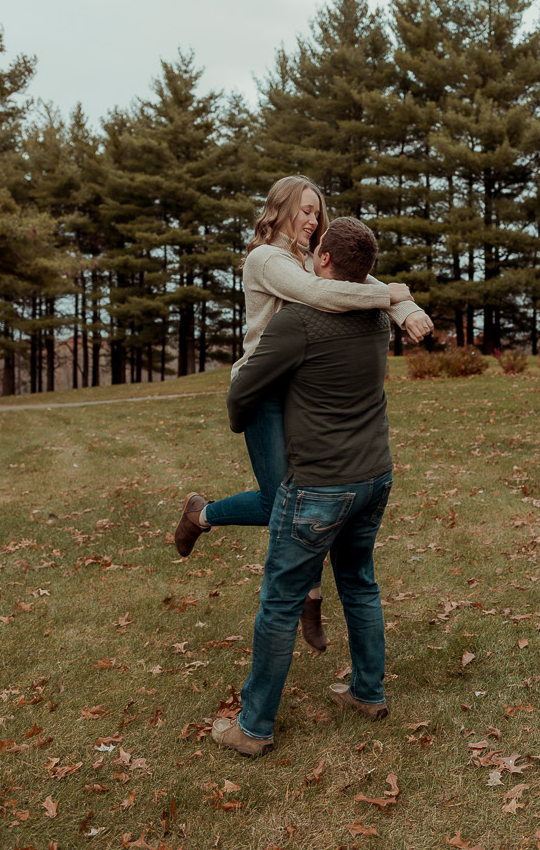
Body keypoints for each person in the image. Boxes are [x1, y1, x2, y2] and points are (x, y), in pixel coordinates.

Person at [175, 176, 431, 654]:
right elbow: (324, 296)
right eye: (305, 210)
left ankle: (309, 596)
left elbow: (363, 281)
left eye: (317, 212)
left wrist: (407, 308)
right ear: (280, 209)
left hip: (299, 386)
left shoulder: (310, 257)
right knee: (282, 505)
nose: (313, 220)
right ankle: (202, 515)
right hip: (262, 389)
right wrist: (394, 295)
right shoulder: (267, 259)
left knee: (305, 496)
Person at [211, 217, 398, 756]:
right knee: (359, 583)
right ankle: (368, 692)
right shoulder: (377, 317)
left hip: (319, 483)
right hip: (375, 476)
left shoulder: (298, 322)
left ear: (323, 262)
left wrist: (240, 415)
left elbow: (243, 390)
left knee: (279, 604)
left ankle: (253, 728)